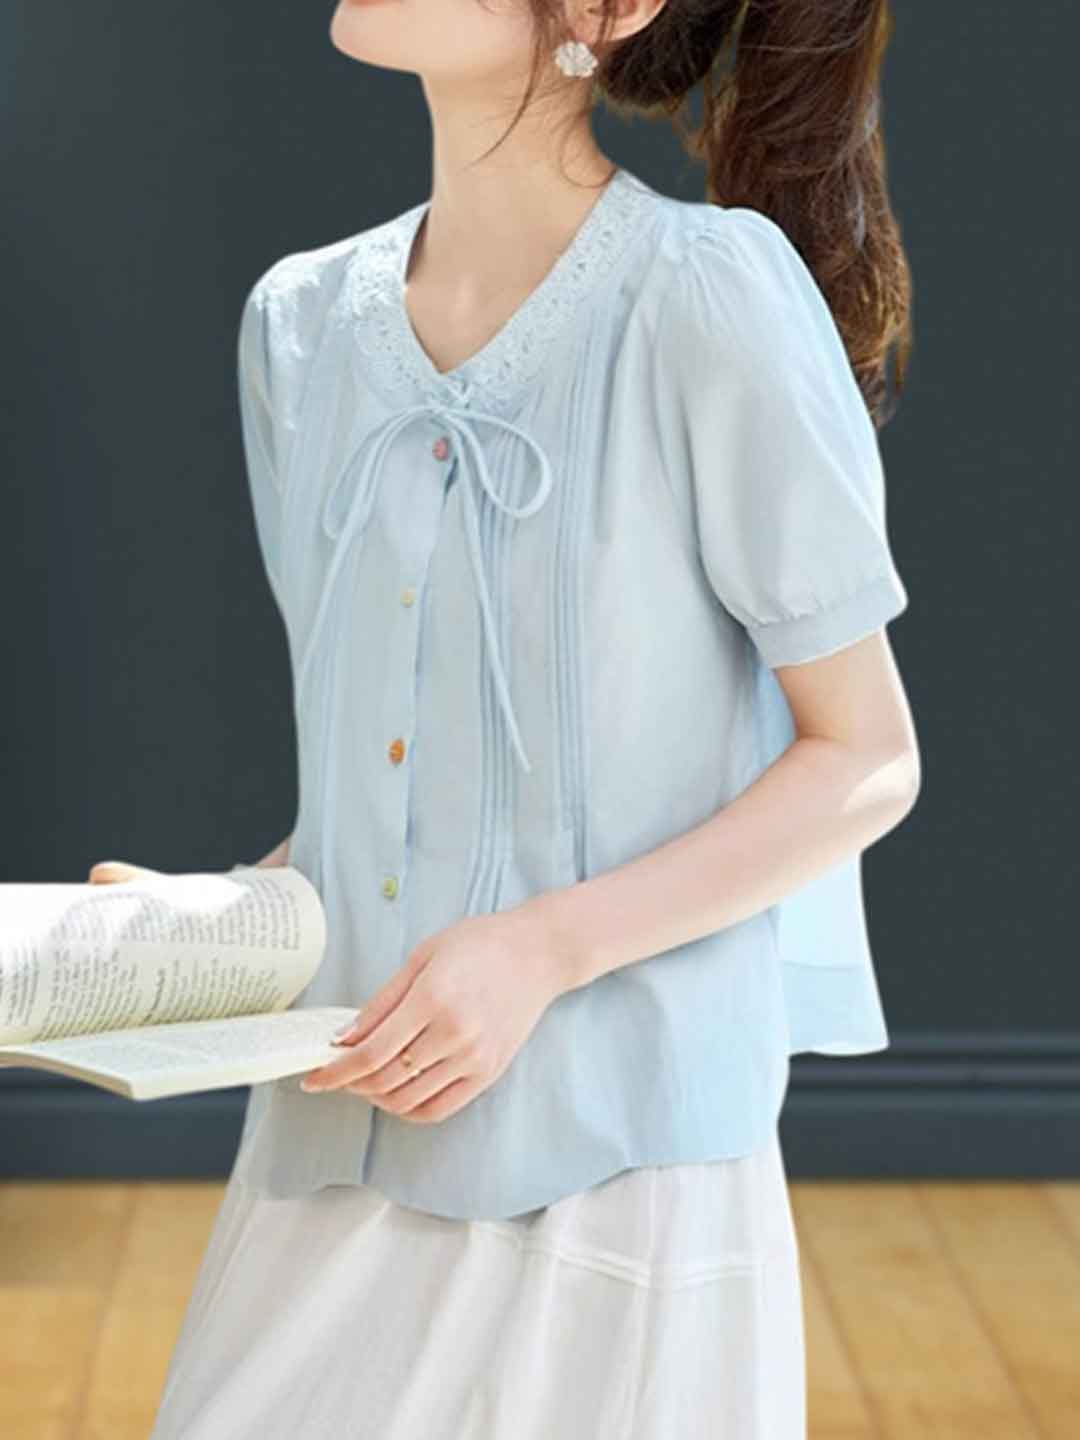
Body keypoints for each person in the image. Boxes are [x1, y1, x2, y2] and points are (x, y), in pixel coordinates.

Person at [92, 0, 920, 1434]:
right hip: (338, 1137)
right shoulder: (298, 329)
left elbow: (867, 756)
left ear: (608, 7)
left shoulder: (704, 300)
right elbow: (393, 787)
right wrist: (225, 917)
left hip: (616, 1169)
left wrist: (541, 950)